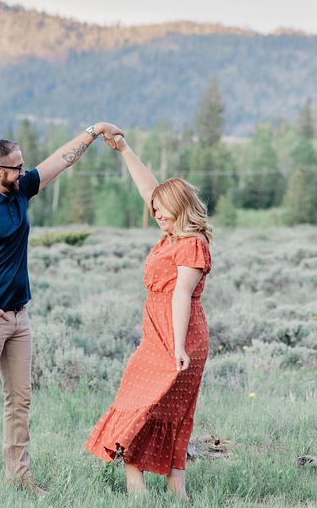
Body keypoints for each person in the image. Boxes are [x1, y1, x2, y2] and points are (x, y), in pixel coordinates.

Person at [0, 123, 124, 496]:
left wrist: (93, 132)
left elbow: (58, 163)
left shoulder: (19, 190)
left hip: (19, 316)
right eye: (16, 166)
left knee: (20, 399)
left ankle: (19, 475)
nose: (24, 171)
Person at [84, 134, 212, 502]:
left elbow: (181, 296)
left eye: (162, 211)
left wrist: (176, 348)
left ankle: (177, 489)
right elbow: (150, 191)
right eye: (154, 211)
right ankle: (135, 485)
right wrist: (125, 150)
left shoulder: (191, 243)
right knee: (136, 403)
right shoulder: (171, 233)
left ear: (181, 208)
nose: (156, 215)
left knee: (169, 410)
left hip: (180, 338)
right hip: (155, 336)